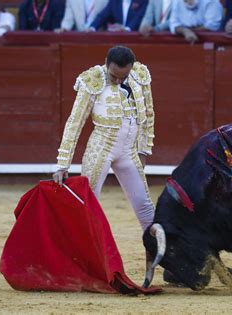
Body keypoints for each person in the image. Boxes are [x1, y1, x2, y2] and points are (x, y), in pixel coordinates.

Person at [53, 46, 155, 232]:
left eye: (122, 77)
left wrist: (144, 149)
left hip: (129, 152)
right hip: (100, 149)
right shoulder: (93, 80)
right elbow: (74, 123)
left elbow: (148, 114)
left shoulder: (139, 75)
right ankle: (83, 256)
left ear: (131, 68)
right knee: (87, 205)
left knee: (146, 208)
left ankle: (154, 257)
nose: (117, 80)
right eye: (113, 75)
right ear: (106, 62)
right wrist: (62, 164)